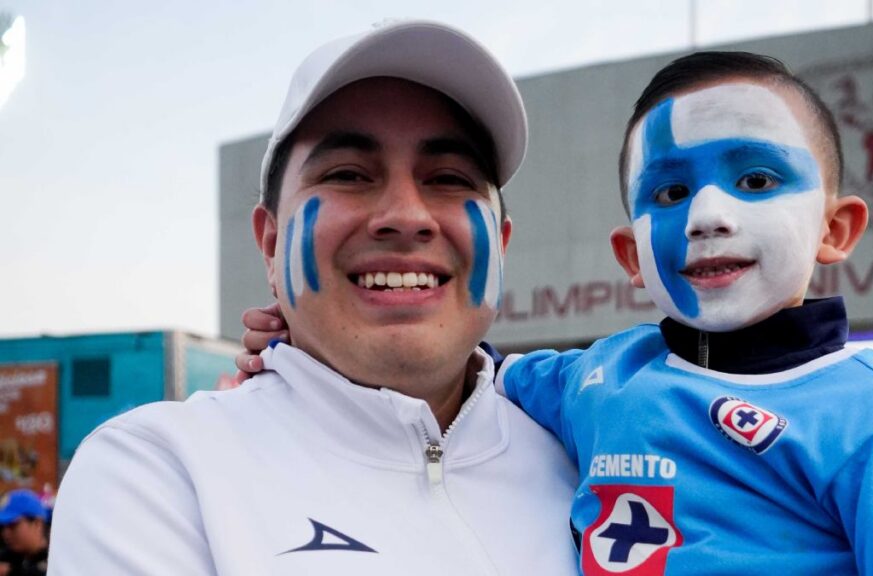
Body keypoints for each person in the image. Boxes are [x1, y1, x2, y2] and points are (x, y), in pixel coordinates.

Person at [237, 53, 873, 574]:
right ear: (632, 256)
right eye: (668, 194)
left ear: (836, 229)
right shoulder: (596, 376)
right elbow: (459, 367)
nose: (708, 215)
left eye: (756, 178)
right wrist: (304, 348)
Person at [48, 20, 577, 576]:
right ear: (271, 245)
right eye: (349, 174)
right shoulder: (159, 472)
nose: (405, 217)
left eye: (449, 177)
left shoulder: (596, 455)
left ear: (501, 242)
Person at [0, 489, 49, 576]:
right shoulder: (9, 556)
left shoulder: (57, 559)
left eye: (12, 525)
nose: (5, 533)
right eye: (3, 527)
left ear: (37, 523)